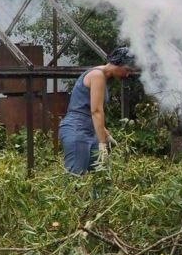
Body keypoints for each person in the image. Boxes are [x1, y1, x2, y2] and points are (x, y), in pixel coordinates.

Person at [58, 47, 137, 175]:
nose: (127, 74)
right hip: (77, 129)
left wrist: (106, 135)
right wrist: (101, 143)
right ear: (118, 63)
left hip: (89, 130)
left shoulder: (104, 78)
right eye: (127, 70)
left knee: (99, 175)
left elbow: (90, 111)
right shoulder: (97, 75)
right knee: (76, 178)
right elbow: (96, 111)